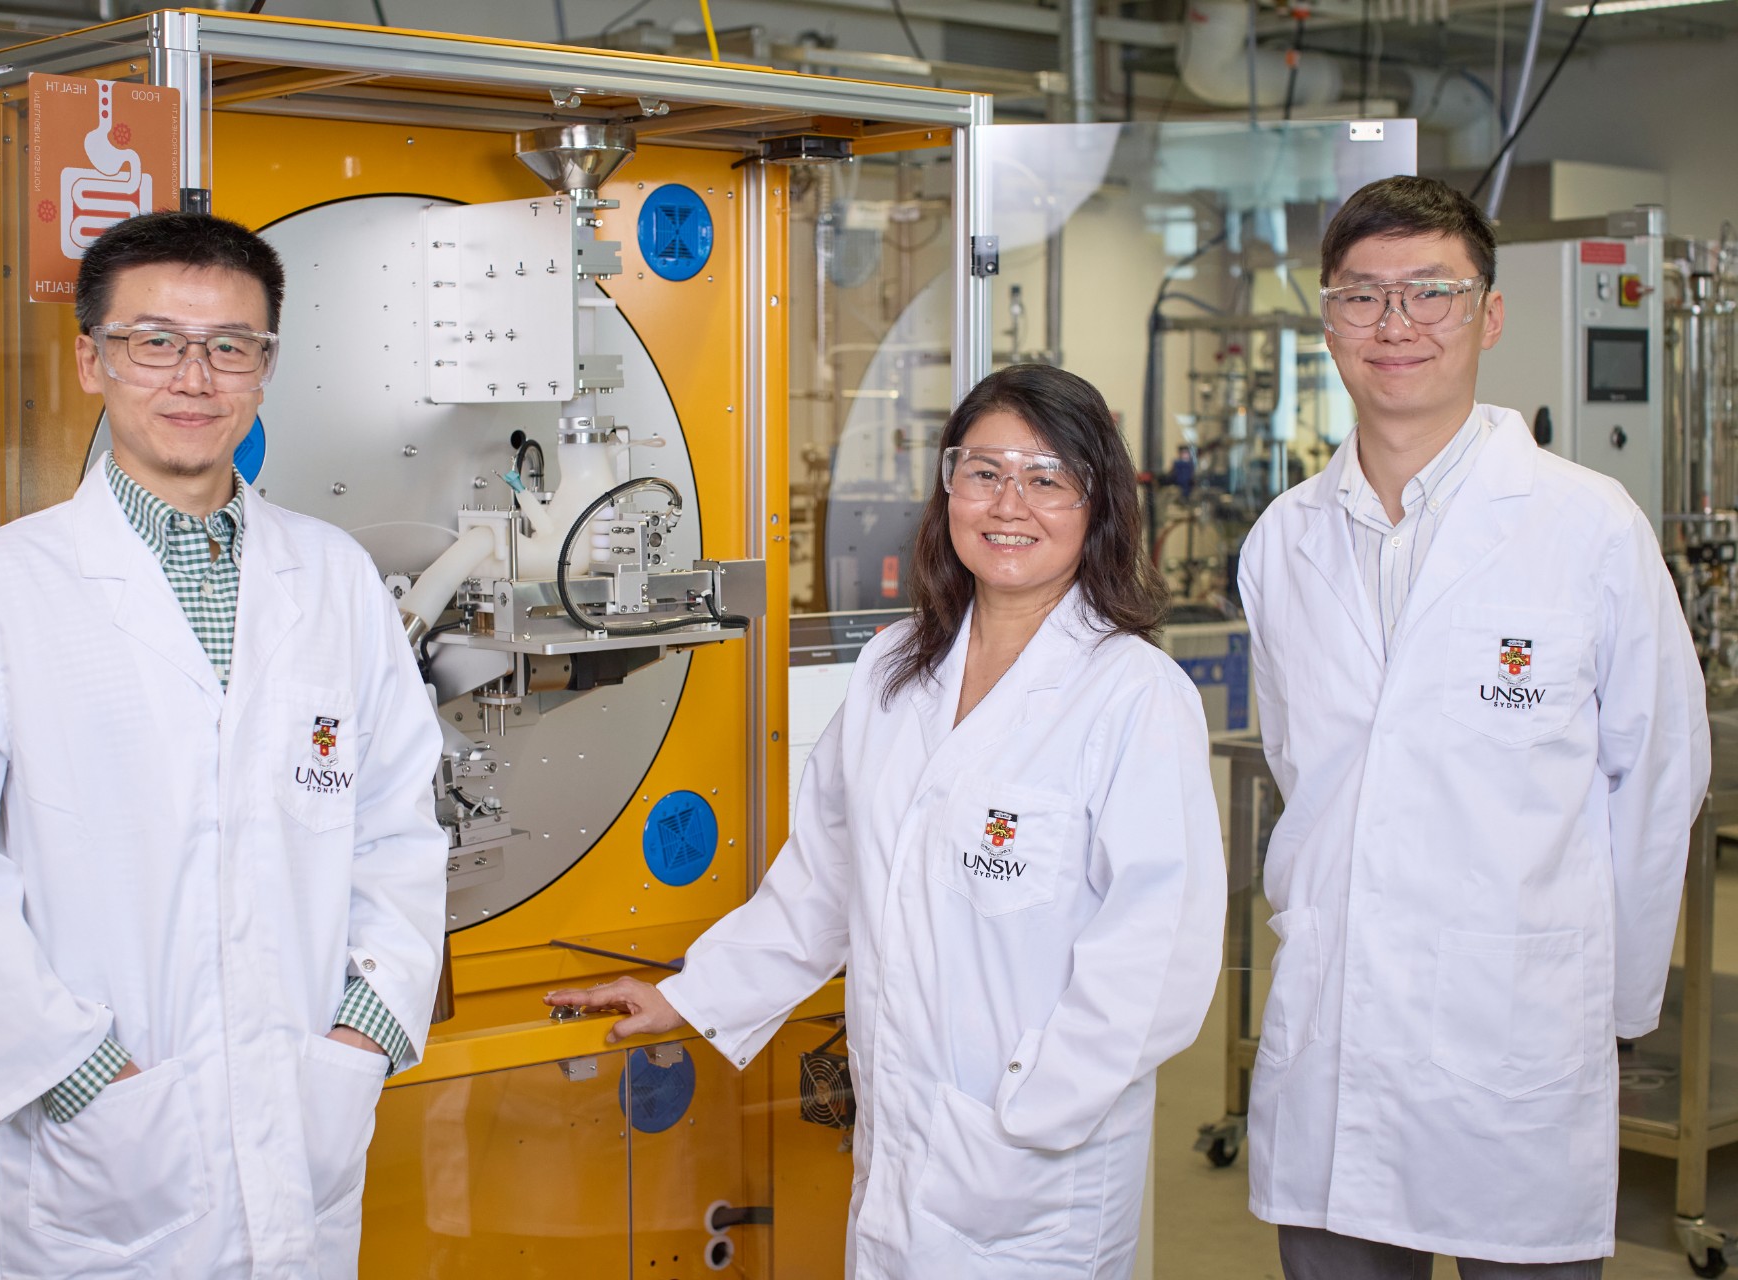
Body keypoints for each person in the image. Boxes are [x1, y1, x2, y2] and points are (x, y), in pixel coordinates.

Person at [0, 211, 447, 1278]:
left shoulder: (332, 576)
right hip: (104, 1153)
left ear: (265, 367)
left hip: (303, 1120)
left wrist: (363, 1033)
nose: (195, 376)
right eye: (155, 341)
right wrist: (77, 1071)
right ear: (92, 358)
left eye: (232, 345)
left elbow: (400, 820)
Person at [547, 364, 1227, 1278]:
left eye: (1047, 476)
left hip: (1031, 1172)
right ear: (948, 486)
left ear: (1096, 504)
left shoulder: (1136, 697)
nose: (1008, 502)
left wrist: (1022, 1116)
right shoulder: (892, 670)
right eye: (983, 471)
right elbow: (824, 880)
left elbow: (1157, 961)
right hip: (899, 1146)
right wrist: (690, 994)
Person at [1237, 176, 1711, 1278]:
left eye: (1431, 293)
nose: (1395, 326)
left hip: (1518, 1029)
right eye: (1362, 298)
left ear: (1489, 315)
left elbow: (1657, 774)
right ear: (1327, 319)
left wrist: (1609, 999)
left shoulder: (1587, 527)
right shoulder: (1283, 542)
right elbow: (1306, 773)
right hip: (1337, 1034)